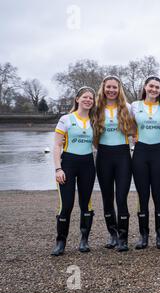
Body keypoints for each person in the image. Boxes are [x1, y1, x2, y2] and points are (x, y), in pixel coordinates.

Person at [92, 75, 136, 252]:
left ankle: (123, 237)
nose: (111, 90)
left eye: (114, 87)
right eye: (108, 87)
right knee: (107, 198)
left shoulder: (127, 107)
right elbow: (90, 134)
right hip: (103, 156)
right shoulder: (96, 108)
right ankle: (113, 234)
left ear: (119, 90)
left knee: (121, 198)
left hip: (123, 156)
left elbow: (135, 129)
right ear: (103, 89)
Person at [51, 87, 96, 256]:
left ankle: (84, 240)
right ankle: (60, 242)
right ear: (77, 99)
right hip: (68, 163)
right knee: (66, 205)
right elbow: (56, 145)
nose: (88, 100)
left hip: (88, 165)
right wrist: (58, 169)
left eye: (91, 98)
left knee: (86, 204)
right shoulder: (66, 119)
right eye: (85, 97)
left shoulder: (94, 120)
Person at [130, 76, 160, 250]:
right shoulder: (134, 106)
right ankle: (143, 235)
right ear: (145, 87)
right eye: (151, 86)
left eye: (157, 87)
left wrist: (158, 140)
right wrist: (135, 136)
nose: (154, 89)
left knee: (158, 195)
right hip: (140, 153)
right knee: (143, 195)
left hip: (158, 153)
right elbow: (130, 125)